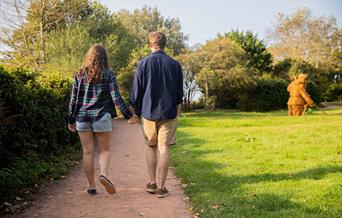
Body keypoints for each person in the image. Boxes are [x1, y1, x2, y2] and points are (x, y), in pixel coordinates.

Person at [67, 44, 136, 195]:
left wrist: (70, 119)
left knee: (87, 153)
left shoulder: (79, 75)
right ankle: (103, 174)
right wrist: (129, 115)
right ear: (104, 58)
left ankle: (91, 186)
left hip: (82, 117)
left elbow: (73, 100)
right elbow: (116, 97)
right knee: (104, 150)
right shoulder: (108, 75)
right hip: (101, 116)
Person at [130, 32, 183, 198]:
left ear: (150, 45)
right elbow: (179, 93)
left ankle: (152, 183)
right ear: (164, 45)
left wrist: (135, 112)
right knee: (164, 147)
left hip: (148, 112)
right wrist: (177, 111)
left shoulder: (143, 64)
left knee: (151, 146)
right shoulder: (175, 65)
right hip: (168, 112)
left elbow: (136, 92)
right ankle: (161, 187)